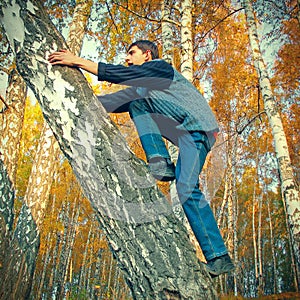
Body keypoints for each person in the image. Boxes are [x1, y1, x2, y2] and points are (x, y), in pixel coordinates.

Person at [48, 40, 235, 276]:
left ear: (147, 55)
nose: (127, 58)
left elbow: (122, 75)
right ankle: (219, 257)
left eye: (131, 53)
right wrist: (71, 98)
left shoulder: (161, 68)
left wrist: (77, 61)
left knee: (138, 102)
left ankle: (159, 161)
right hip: (189, 135)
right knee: (186, 187)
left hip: (198, 129)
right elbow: (112, 101)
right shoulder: (145, 89)